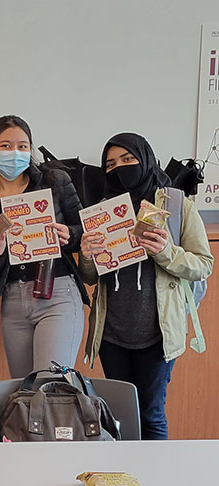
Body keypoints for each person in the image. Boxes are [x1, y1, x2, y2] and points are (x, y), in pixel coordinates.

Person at [80, 133, 213, 440]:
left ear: (146, 159)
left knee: (151, 414)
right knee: (118, 417)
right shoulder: (102, 209)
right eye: (110, 164)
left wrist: (165, 251)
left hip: (157, 333)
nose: (119, 168)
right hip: (112, 333)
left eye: (128, 160)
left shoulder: (177, 206)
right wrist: (86, 255)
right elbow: (90, 276)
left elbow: (203, 264)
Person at [0, 115, 88, 378]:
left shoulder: (55, 180)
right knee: (24, 391)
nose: (15, 152)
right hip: (13, 298)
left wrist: (67, 235)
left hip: (57, 292)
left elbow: (85, 229)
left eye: (23, 146)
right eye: (5, 146)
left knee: (51, 385)